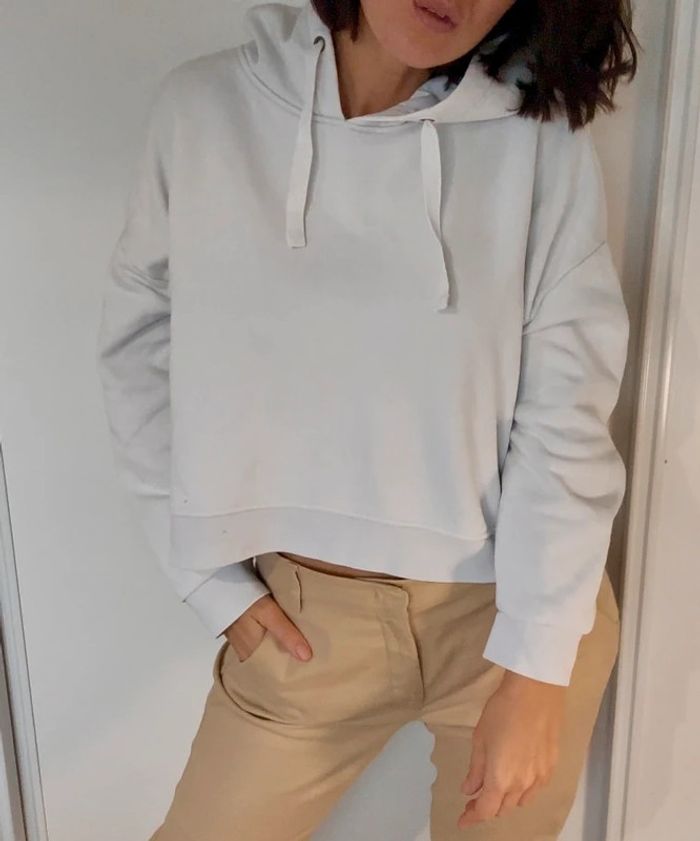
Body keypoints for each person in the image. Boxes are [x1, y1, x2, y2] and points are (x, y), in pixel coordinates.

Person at [96, 0, 638, 838]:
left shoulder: (540, 139)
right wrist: (208, 582)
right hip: (304, 625)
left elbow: (566, 403)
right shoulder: (204, 112)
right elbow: (137, 352)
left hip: (511, 612)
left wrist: (537, 667)